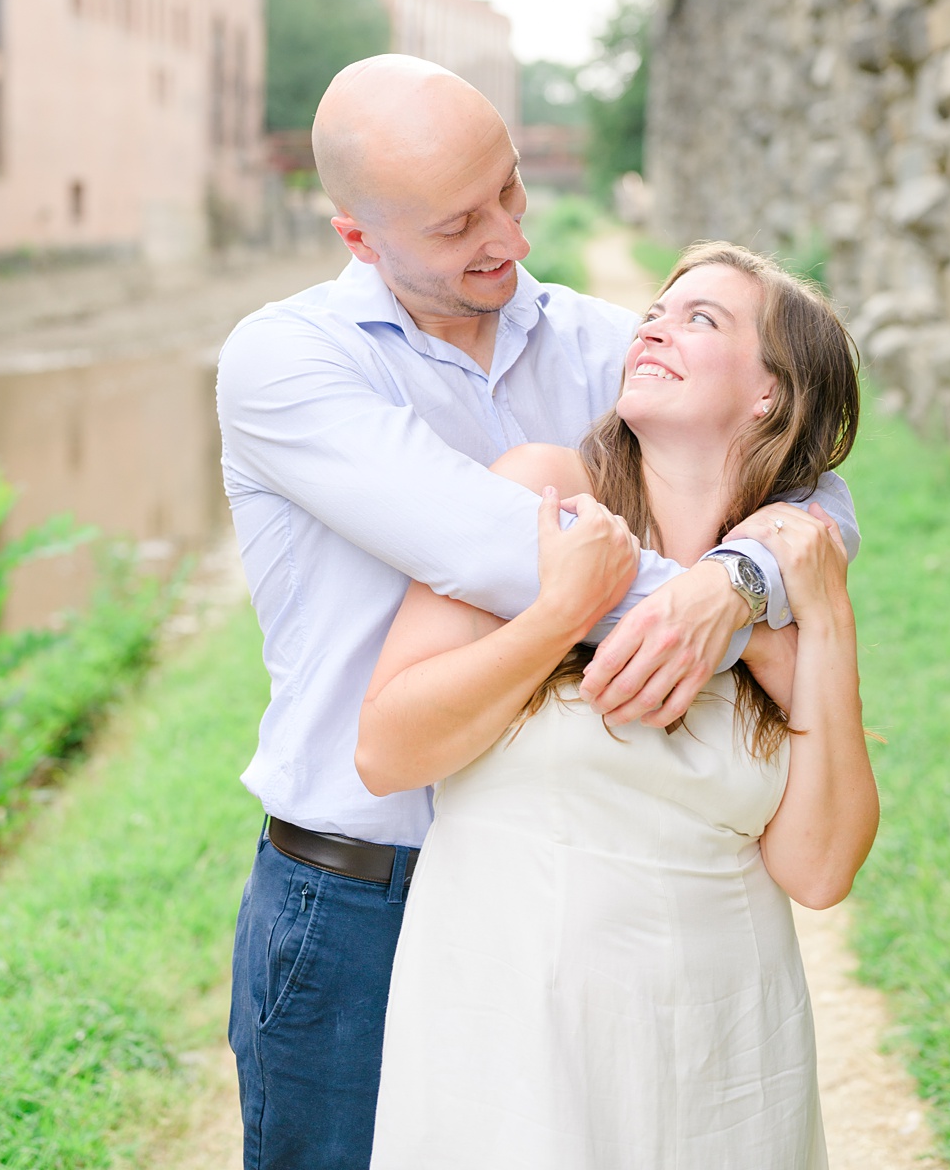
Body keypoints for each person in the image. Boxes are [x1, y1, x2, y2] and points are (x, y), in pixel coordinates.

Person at [214, 56, 861, 1170]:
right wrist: (757, 624)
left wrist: (740, 583)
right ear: (361, 238)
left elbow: (808, 475)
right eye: (461, 222)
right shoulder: (287, 362)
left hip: (565, 894)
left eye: (510, 191)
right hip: (359, 891)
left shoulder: (603, 345)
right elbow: (498, 548)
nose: (509, 238)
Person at [361, 244, 873, 1167]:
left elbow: (822, 869)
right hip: (516, 1034)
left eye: (701, 319)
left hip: (726, 1048)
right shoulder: (543, 495)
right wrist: (563, 610)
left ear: (769, 394)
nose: (654, 327)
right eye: (656, 311)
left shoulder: (784, 576)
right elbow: (388, 752)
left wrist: (820, 620)